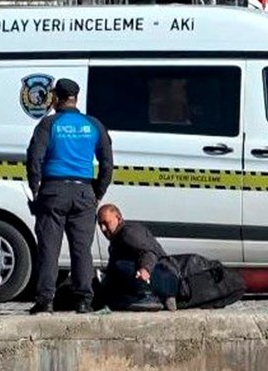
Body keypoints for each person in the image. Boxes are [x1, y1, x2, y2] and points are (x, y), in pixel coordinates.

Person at [26, 78, 114, 314]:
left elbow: (35, 157)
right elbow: (107, 163)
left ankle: (45, 300)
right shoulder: (93, 125)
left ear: (56, 98)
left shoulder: (49, 124)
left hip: (53, 190)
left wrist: (35, 188)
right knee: (82, 249)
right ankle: (84, 300)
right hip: (84, 191)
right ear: (75, 98)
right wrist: (98, 192)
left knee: (49, 248)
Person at [96, 203, 178, 312]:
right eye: (100, 224)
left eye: (106, 223)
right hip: (158, 277)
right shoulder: (115, 241)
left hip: (164, 274)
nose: (103, 228)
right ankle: (162, 297)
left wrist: (145, 269)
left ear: (118, 218)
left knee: (120, 266)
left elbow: (149, 253)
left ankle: (149, 296)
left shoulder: (128, 233)